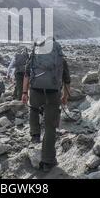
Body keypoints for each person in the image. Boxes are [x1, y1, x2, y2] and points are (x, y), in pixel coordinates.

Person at [21, 38, 71, 173]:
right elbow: (67, 80)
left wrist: (24, 93)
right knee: (50, 127)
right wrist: (65, 96)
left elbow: (27, 75)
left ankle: (35, 135)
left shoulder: (34, 56)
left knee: (33, 109)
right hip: (53, 94)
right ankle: (47, 162)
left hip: (36, 91)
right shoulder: (60, 59)